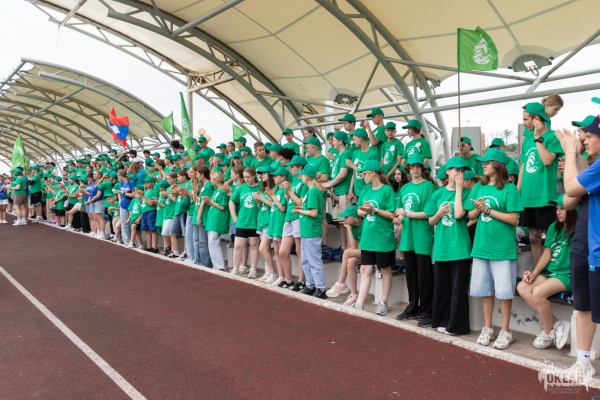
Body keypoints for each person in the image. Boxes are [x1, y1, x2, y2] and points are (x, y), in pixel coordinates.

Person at [555, 112, 600, 377]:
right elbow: (570, 200)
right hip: (586, 242)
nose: (584, 139)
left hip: (596, 247)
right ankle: (583, 362)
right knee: (583, 305)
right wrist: (575, 158)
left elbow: (571, 191)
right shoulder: (594, 165)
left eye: (589, 135)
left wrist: (571, 153)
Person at [465, 148, 523, 350]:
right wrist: (478, 209)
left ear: (498, 165)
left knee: (504, 292)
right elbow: (471, 215)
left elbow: (513, 219)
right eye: (483, 162)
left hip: (502, 248)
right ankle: (488, 327)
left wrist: (488, 210)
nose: (484, 165)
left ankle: (506, 330)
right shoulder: (479, 187)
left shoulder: (509, 189)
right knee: (485, 290)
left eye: (487, 162)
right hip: (482, 246)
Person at [517, 193, 575, 350]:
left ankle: (548, 333)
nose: (558, 212)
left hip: (566, 275)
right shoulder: (553, 228)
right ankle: (557, 324)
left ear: (572, 210)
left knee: (538, 292)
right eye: (556, 209)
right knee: (523, 287)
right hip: (551, 272)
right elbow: (547, 253)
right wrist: (534, 273)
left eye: (562, 209)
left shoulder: (579, 230)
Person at [424, 157, 472, 335]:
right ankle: (442, 321)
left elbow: (459, 214)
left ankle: (456, 325)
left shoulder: (466, 193)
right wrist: (439, 213)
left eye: (462, 171)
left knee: (458, 288)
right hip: (442, 247)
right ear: (448, 172)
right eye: (456, 170)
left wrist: (459, 189)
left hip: (459, 246)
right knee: (442, 287)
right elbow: (431, 220)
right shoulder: (438, 194)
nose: (460, 173)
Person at [518, 102, 564, 266]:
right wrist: (518, 190)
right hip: (528, 196)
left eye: (526, 119)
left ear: (536, 118)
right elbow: (523, 166)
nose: (524, 123)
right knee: (533, 237)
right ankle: (538, 272)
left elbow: (547, 160)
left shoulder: (552, 137)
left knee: (551, 237)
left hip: (545, 196)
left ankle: (553, 270)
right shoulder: (526, 140)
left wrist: (538, 138)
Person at [394, 154, 436, 326]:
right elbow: (400, 210)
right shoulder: (405, 188)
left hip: (422, 236)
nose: (415, 169)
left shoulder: (428, 186)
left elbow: (429, 213)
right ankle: (413, 306)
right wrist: (399, 218)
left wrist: (407, 214)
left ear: (422, 168)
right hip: (408, 236)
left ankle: (427, 309)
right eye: (412, 166)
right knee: (411, 274)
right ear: (408, 169)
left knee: (424, 275)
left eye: (418, 166)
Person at [351, 160, 396, 315]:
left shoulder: (387, 190)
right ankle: (359, 303)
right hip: (368, 237)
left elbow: (392, 214)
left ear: (373, 173)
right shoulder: (366, 189)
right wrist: (365, 210)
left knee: (385, 269)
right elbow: (359, 211)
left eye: (364, 173)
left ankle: (383, 302)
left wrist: (374, 209)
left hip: (383, 238)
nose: (362, 176)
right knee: (365, 269)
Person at [292, 164, 327, 299]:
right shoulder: (311, 190)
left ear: (306, 176)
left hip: (311, 231)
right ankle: (311, 285)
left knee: (314, 261)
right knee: (306, 260)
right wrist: (301, 209)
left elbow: (313, 213)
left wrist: (300, 211)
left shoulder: (313, 191)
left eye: (302, 175)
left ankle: (320, 288)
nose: (301, 176)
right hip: (307, 231)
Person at [278, 156, 308, 289]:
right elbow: (289, 200)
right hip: (289, 217)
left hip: (298, 217)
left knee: (299, 250)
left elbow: (301, 203)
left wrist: (289, 190)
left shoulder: (304, 182)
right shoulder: (294, 180)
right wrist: (287, 191)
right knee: (282, 251)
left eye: (293, 166)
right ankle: (288, 279)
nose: (291, 169)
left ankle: (302, 281)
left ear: (300, 168)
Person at [326, 204, 362, 302]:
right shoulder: (352, 227)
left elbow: (355, 249)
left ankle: (341, 283)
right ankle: (354, 294)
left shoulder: (364, 225)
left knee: (346, 252)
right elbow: (354, 247)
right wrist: (349, 229)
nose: (344, 219)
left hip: (372, 252)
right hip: (362, 253)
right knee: (350, 262)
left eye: (346, 217)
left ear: (354, 217)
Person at [323, 131, 352, 249]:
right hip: (337, 191)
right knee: (341, 222)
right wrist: (332, 188)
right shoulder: (338, 155)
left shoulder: (346, 153)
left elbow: (343, 173)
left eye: (334, 140)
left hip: (344, 190)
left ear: (340, 141)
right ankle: (344, 247)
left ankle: (350, 247)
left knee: (346, 221)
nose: (332, 142)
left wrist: (330, 184)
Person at [229, 167, 260, 276]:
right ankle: (236, 268)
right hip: (242, 221)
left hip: (255, 221)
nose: (246, 179)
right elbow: (232, 201)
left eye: (248, 177)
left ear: (254, 176)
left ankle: (253, 269)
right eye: (245, 177)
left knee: (254, 245)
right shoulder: (241, 187)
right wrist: (234, 216)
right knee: (238, 246)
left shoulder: (260, 187)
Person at [261, 167, 288, 283]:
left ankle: (284, 276)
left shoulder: (283, 190)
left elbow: (282, 208)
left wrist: (272, 196)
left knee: (280, 252)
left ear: (283, 177)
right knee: (276, 251)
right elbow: (273, 205)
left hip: (280, 222)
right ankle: (280, 276)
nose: (273, 177)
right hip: (274, 222)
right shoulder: (277, 190)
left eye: (276, 176)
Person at [204, 171, 230, 271]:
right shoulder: (215, 191)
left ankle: (220, 266)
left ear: (216, 179)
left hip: (218, 219)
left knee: (213, 241)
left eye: (212, 179)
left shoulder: (222, 190)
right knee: (211, 242)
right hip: (212, 218)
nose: (210, 180)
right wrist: (208, 202)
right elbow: (214, 204)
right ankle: (216, 265)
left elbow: (222, 207)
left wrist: (210, 201)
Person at [254, 166, 276, 279]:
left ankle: (274, 273)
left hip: (268, 221)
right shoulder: (263, 188)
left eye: (264, 173)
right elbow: (262, 205)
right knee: (265, 249)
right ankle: (268, 273)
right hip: (262, 220)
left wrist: (261, 198)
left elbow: (274, 205)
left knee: (262, 249)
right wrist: (258, 200)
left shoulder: (274, 188)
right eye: (261, 174)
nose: (262, 175)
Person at [348, 128, 378, 203]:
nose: (353, 142)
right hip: (356, 192)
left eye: (354, 139)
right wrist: (350, 190)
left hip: (367, 191)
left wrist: (353, 166)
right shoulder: (355, 153)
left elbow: (370, 175)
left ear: (360, 139)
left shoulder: (372, 154)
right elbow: (354, 173)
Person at [194, 166, 213, 268]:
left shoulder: (209, 186)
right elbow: (197, 201)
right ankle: (198, 260)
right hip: (198, 214)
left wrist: (199, 217)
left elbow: (204, 202)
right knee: (197, 241)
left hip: (203, 216)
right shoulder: (202, 186)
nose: (196, 176)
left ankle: (205, 263)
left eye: (197, 174)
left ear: (202, 174)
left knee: (203, 242)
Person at [140, 176, 159, 253]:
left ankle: (155, 247)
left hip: (151, 211)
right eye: (145, 183)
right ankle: (149, 246)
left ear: (152, 183)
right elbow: (142, 202)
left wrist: (143, 196)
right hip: (144, 211)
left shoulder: (154, 191)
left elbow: (151, 204)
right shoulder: (146, 191)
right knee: (146, 229)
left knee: (152, 229)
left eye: (147, 183)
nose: (146, 184)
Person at [117, 170, 135, 246]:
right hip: (123, 204)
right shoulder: (120, 183)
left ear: (121, 176)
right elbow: (119, 193)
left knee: (132, 222)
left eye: (118, 176)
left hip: (131, 203)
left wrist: (123, 193)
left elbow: (133, 194)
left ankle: (134, 241)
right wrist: (120, 201)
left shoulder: (131, 182)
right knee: (124, 222)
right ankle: (126, 241)